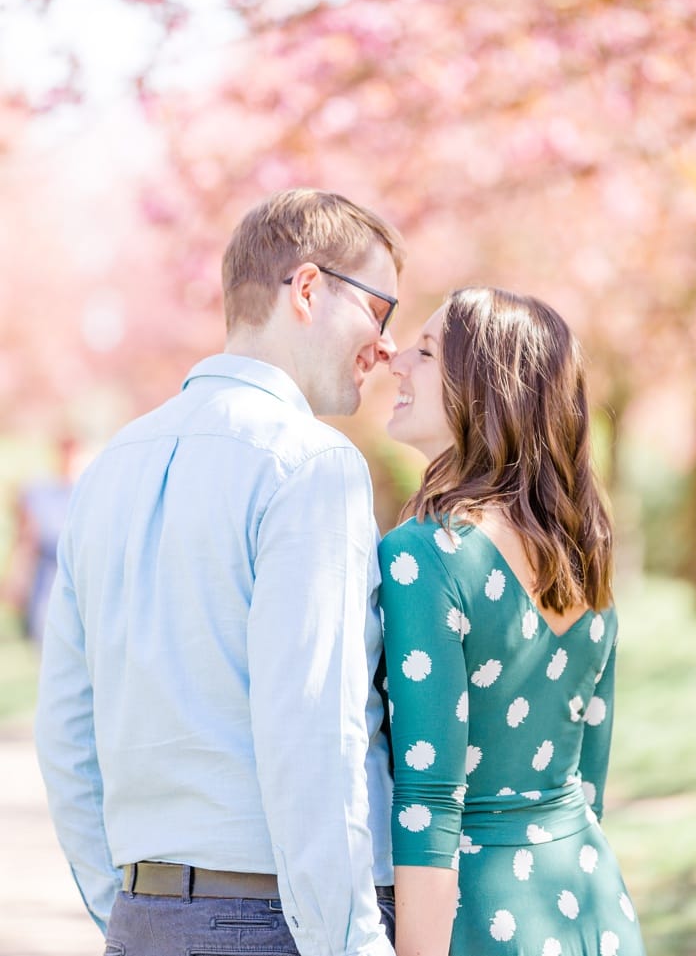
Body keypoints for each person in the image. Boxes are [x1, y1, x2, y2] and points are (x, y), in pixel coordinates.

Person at [35, 189, 405, 956]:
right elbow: (315, 735)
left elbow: (65, 732)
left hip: (144, 923)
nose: (386, 346)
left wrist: (126, 907)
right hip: (274, 925)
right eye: (380, 310)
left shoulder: (108, 471)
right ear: (307, 289)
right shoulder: (312, 464)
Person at [379, 287, 646, 956]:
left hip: (479, 919)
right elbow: (589, 780)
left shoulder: (425, 554)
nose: (394, 361)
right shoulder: (586, 553)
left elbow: (430, 801)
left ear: (484, 389)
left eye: (426, 349)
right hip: (592, 905)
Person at [3, 433, 81, 642]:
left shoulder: (85, 490)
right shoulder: (41, 492)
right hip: (46, 573)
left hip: (76, 571)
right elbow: (27, 539)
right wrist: (17, 577)